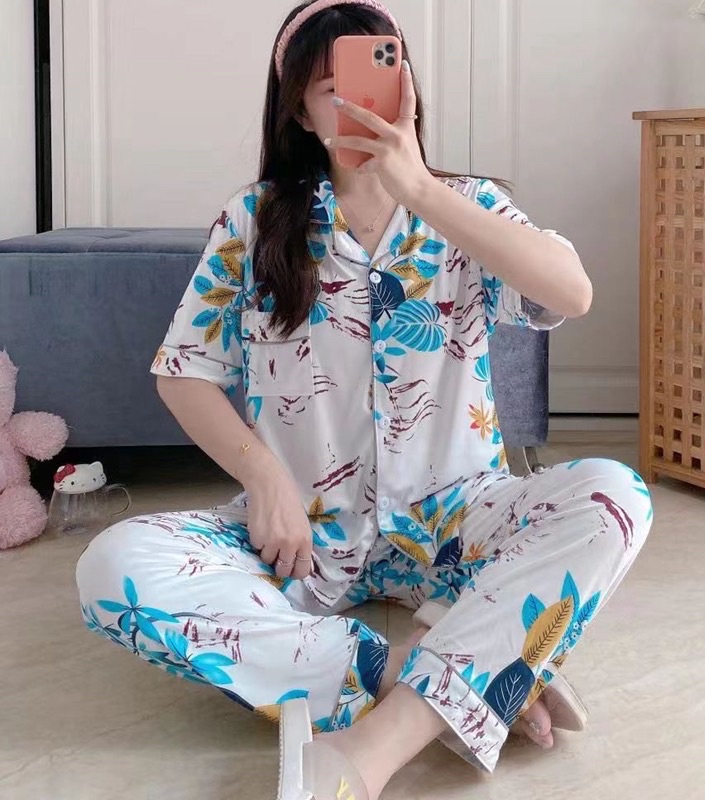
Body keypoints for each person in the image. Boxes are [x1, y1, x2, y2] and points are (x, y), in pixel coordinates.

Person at [75, 1, 653, 798]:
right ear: (300, 114)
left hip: (461, 520)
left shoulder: (468, 206)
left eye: (376, 77)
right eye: (328, 89)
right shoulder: (254, 221)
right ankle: (443, 668)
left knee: (614, 496)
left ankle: (378, 743)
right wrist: (265, 480)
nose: (355, 104)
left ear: (407, 87)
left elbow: (571, 292)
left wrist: (419, 187)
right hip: (301, 535)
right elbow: (184, 371)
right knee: (112, 566)